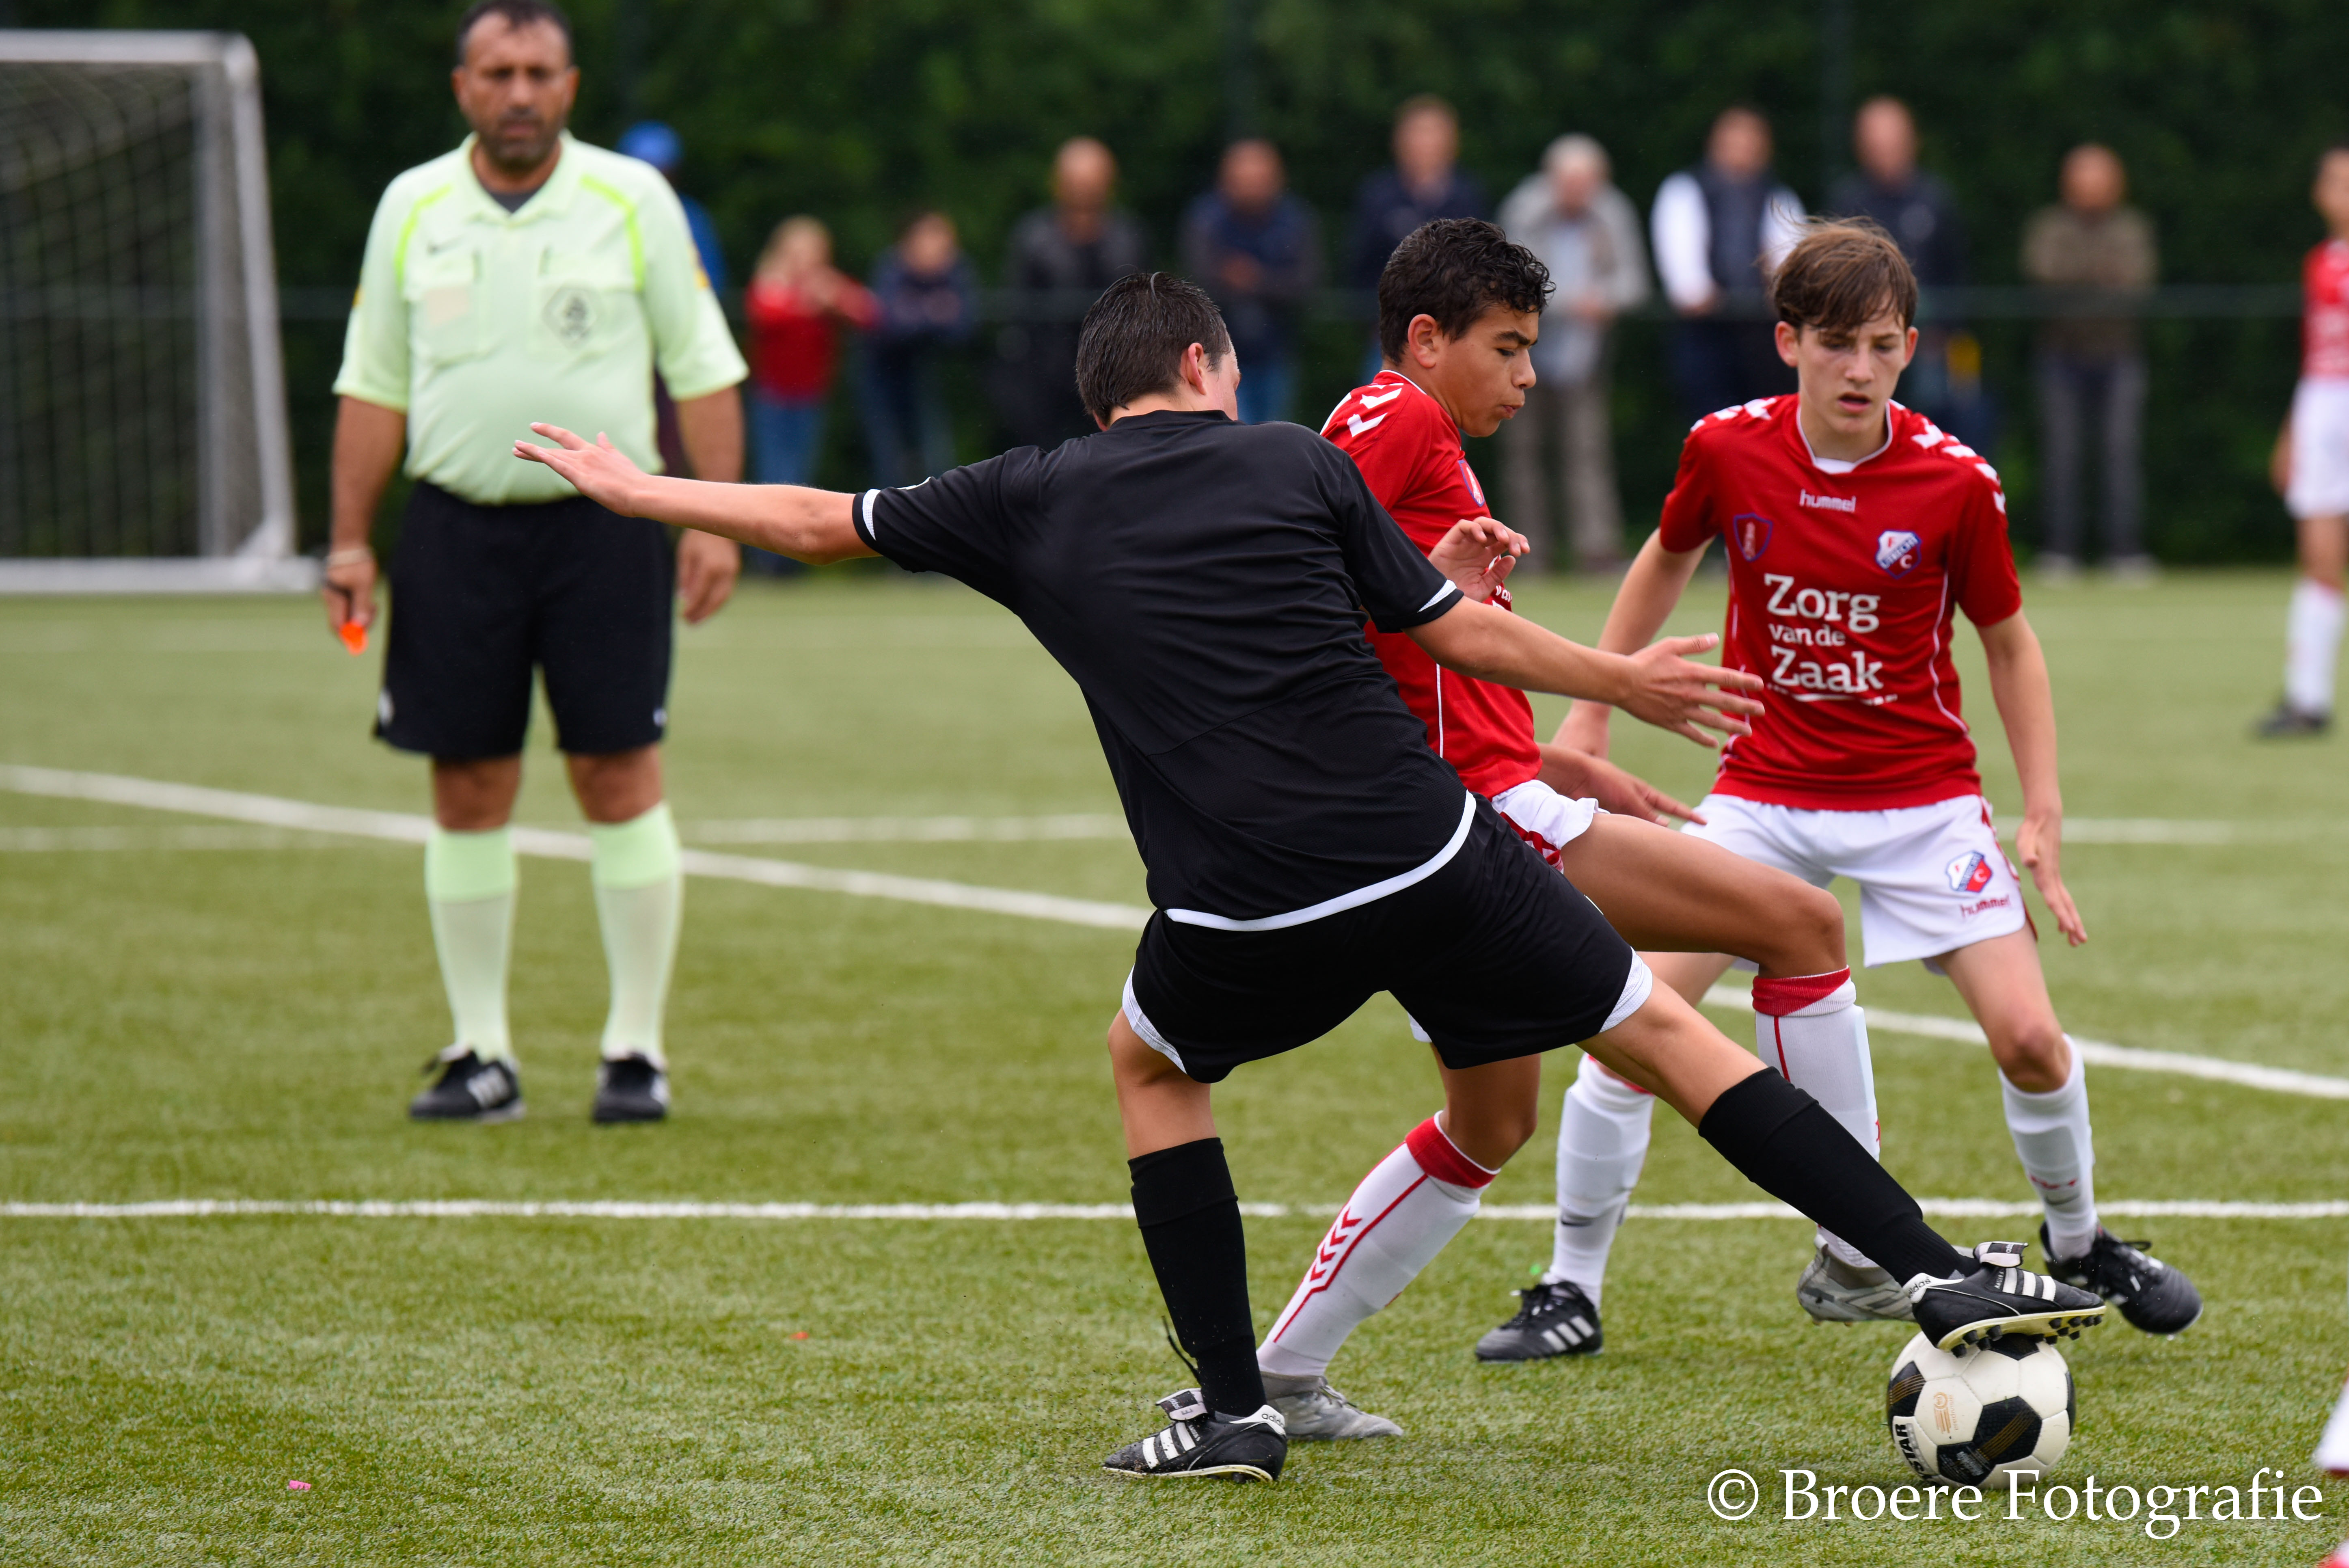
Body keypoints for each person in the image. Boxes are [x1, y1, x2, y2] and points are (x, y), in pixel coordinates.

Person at [515, 271, 2107, 1483]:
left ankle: (1231, 1407)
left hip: (1241, 904)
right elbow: (1456, 632)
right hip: (1432, 851)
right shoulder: (1291, 458)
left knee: (1154, 1065)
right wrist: (1617, 685)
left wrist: (641, 490)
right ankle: (1930, 1267)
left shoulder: (1025, 493)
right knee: (1666, 1035)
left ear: (1101, 396)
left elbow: (810, 517)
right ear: (1208, 369)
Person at [1258, 220, 1887, 1435]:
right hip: (1484, 824)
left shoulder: (1409, 430)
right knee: (1796, 921)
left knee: (1490, 1121)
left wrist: (1559, 756)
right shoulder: (1397, 417)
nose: (1527, 374)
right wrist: (1614, 684)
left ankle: (1282, 1372)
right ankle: (1861, 1248)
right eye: (1506, 348)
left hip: (1477, 796)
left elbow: (1404, 656)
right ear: (1426, 340)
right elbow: (1296, 581)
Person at [1549, 220, 2202, 1342]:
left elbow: (2008, 643)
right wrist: (1591, 709)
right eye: (1837, 342)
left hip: (1921, 803)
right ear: (1788, 342)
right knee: (1632, 1023)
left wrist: (2040, 809)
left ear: (1910, 347)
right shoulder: (1726, 448)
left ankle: (2080, 1240)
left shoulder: (1955, 481)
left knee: (2030, 1039)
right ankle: (1568, 1286)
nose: (1860, 368)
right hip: (1761, 796)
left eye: (1884, 345)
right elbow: (1665, 554)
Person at [322, 0, 747, 1125]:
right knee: (466, 781)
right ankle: (482, 1052)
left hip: (605, 533)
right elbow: (373, 382)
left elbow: (701, 364)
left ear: (570, 87)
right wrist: (351, 539)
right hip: (454, 530)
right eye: (498, 71)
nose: (519, 92)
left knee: (619, 771)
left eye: (539, 72)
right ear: (462, 86)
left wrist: (714, 520)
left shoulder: (632, 197)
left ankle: (635, 1052)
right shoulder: (412, 205)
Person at [1497, 135, 1649, 572]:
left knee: (1587, 451)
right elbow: (1509, 282)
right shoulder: (1523, 210)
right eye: (1569, 183)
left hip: (1586, 355)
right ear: (1551, 179)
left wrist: (1604, 300)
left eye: (1586, 184)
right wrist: (1569, 302)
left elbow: (1634, 282)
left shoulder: (1613, 212)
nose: (1577, 192)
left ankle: (1595, 551)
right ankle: (1528, 554)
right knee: (1522, 454)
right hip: (1522, 352)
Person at [2022, 144, 2158, 579]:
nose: (2091, 187)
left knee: (2120, 453)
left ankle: (2124, 549)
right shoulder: (2050, 226)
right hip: (2060, 355)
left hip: (2119, 356)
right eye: (2082, 177)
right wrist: (2100, 279)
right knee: (2061, 454)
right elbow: (2043, 275)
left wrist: (2077, 281)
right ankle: (2060, 549)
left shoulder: (2131, 228)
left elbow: (2136, 283)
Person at [1827, 97, 1987, 449]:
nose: (1885, 152)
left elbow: (1957, 273)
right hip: (1861, 340)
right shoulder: (1846, 202)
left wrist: (1944, 329)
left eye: (1893, 142)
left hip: (1931, 343)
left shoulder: (1936, 200)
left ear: (1912, 142)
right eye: (1876, 143)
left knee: (1950, 411)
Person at [2256, 143, 2349, 737]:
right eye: (2338, 180)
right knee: (2318, 553)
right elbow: (2314, 352)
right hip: (2323, 405)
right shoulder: (2318, 262)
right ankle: (2307, 698)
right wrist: (2293, 431)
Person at [1652, 106, 1806, 422]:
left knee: (1765, 422)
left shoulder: (1778, 197)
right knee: (1709, 420)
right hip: (1707, 332)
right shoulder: (1685, 190)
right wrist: (1697, 292)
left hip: (1763, 334)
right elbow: (1681, 260)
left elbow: (1790, 262)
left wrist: (1779, 293)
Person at [996, 137, 1148, 449]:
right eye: (1076, 182)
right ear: (1058, 184)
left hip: (1114, 377)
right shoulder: (1033, 239)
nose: (1084, 192)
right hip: (1044, 382)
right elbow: (1018, 310)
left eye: (1092, 182)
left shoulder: (1129, 238)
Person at [618, 120, 730, 485]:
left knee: (672, 441)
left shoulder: (689, 217)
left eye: (662, 171)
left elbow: (710, 288)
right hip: (622, 350)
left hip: (672, 351)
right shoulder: (609, 216)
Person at [1181, 139, 1320, 424]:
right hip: (1215, 355)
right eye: (1243, 179)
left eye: (1259, 179)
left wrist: (1257, 281)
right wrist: (1229, 280)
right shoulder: (1206, 219)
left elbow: (1307, 281)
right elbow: (1194, 279)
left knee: (1274, 431)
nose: (1251, 187)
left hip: (1277, 351)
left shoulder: (1293, 221)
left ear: (1277, 179)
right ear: (1225, 180)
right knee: (1229, 432)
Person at [1348, 96, 1488, 378]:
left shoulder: (1468, 197)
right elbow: (1360, 263)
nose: (1424, 144)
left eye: (1433, 134)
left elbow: (1481, 267)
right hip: (1389, 339)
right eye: (1417, 134)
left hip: (1454, 338)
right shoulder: (1378, 196)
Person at [862, 210, 975, 487]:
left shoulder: (954, 270)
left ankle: (939, 510)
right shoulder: (891, 268)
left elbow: (964, 327)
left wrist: (916, 311)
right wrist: (934, 311)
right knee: (889, 456)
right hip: (882, 376)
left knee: (936, 454)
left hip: (928, 376)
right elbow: (889, 325)